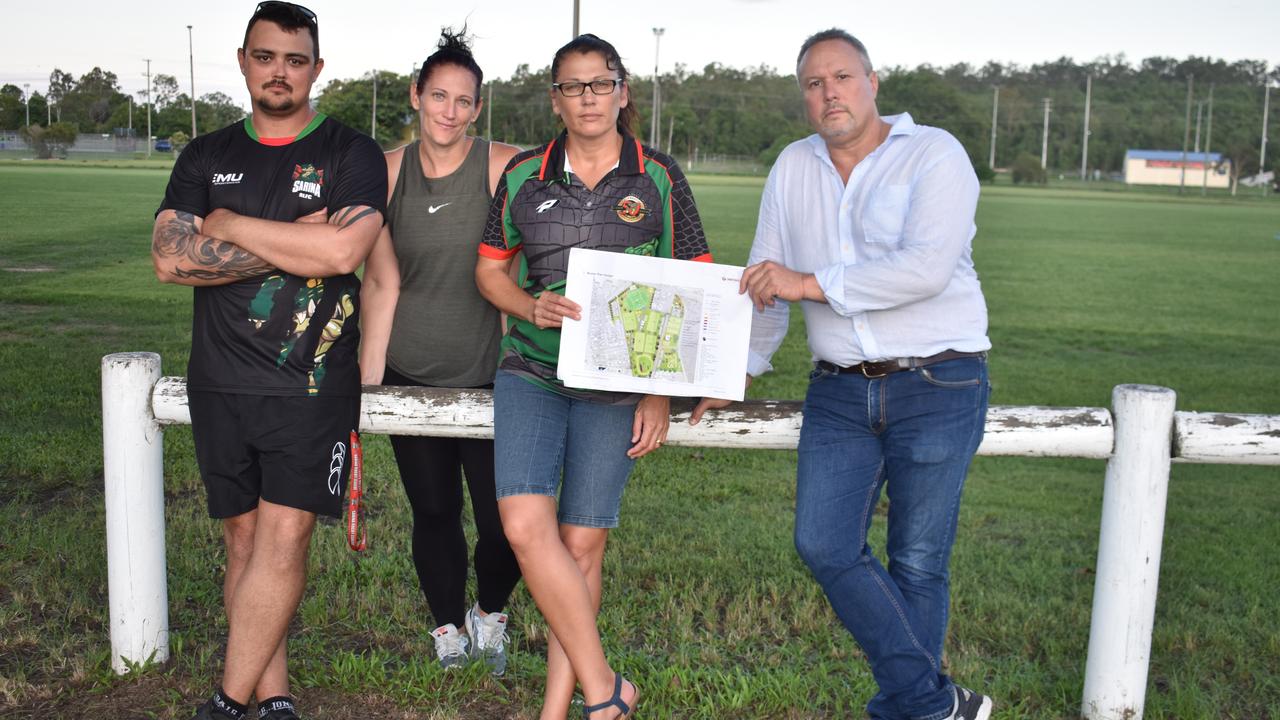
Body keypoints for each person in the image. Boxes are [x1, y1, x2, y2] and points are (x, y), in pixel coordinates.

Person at [691, 28, 994, 720]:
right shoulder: (793, 167)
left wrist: (807, 283)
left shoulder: (934, 153)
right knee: (822, 542)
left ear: (873, 81)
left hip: (940, 380)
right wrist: (737, 369)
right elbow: (766, 281)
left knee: (918, 559)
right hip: (837, 388)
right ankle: (935, 701)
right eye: (814, 83)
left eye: (842, 77)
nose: (829, 92)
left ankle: (913, 709)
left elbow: (924, 270)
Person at [151, 3, 386, 719]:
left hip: (310, 383)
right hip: (219, 379)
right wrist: (290, 236)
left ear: (316, 68)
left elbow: (346, 252)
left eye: (294, 58)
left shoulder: (353, 153)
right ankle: (272, 695)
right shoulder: (205, 156)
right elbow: (170, 259)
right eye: (265, 56)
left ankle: (226, 703)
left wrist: (224, 231)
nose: (278, 70)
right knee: (244, 540)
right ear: (244, 60)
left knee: (284, 537)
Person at [475, 34, 712, 720]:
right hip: (532, 370)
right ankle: (605, 685)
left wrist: (662, 389)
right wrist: (528, 302)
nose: (587, 97)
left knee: (582, 544)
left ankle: (562, 709)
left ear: (622, 90)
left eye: (599, 83)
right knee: (524, 526)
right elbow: (488, 269)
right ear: (555, 98)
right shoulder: (523, 173)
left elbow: (694, 287)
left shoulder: (659, 177)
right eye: (572, 87)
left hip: (618, 382)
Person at [358, 27, 523, 674]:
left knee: (504, 518)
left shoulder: (503, 164)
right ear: (416, 96)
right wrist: (371, 390)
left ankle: (490, 613)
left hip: (490, 376)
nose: (449, 111)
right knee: (434, 511)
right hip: (411, 373)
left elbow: (570, 193)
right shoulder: (386, 171)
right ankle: (448, 631)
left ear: (477, 108)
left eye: (463, 100)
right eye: (438, 96)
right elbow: (379, 280)